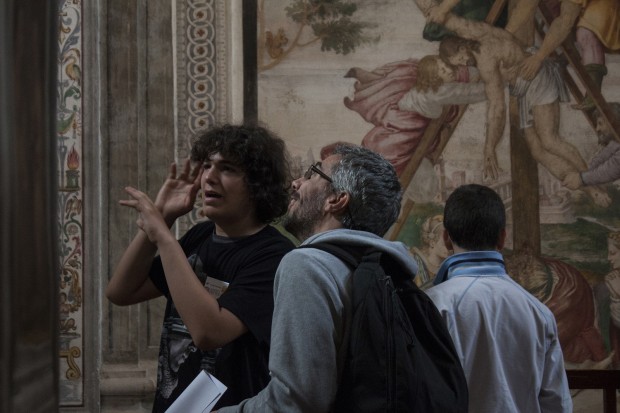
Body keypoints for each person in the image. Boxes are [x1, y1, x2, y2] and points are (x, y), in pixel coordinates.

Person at [105, 124, 296, 412]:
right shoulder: (201, 236)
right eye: (207, 166)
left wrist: (164, 237)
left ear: (258, 184)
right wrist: (164, 217)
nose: (210, 177)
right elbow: (121, 291)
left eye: (228, 168)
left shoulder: (274, 255)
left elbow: (209, 333)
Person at [216, 144, 419, 412]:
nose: (295, 183)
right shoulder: (387, 269)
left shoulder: (307, 265)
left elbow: (297, 401)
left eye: (312, 174)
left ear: (336, 200)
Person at [412, 0, 611, 206]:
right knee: (538, 150)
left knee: (550, 140)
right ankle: (589, 187)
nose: (464, 64)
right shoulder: (476, 30)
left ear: (462, 48)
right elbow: (452, 21)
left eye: (460, 59)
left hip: (536, 79)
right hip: (525, 87)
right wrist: (438, 10)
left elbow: (497, 108)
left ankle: (593, 184)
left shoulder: (485, 60)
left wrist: (490, 146)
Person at [426, 183, 572, 412]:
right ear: (503, 238)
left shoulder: (431, 305)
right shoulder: (538, 312)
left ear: (446, 238)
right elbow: (556, 404)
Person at [398, 54, 486, 119]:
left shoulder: (431, 84)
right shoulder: (440, 91)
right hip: (409, 117)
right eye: (443, 71)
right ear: (435, 78)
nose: (450, 70)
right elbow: (471, 93)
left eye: (447, 66)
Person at [563, 102, 620, 189]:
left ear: (612, 122)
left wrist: (581, 178)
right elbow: (603, 156)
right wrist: (585, 172)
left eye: (600, 123)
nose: (597, 129)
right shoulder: (616, 141)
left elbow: (612, 168)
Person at [410, 214, 450, 289]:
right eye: (445, 243)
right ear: (432, 243)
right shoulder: (415, 261)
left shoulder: (446, 269)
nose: (449, 248)